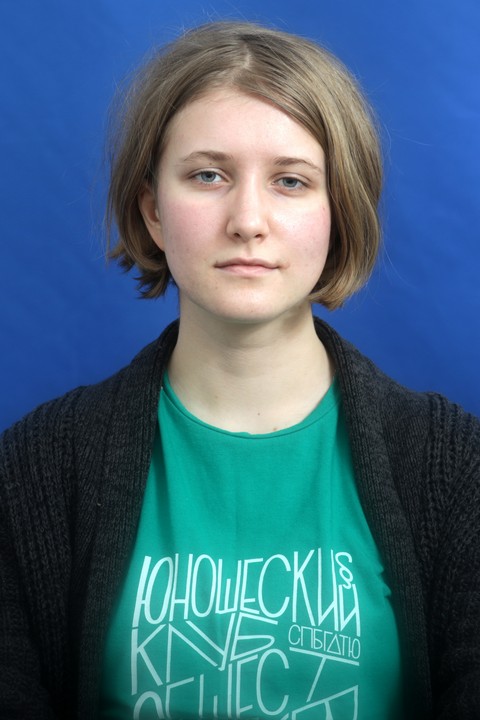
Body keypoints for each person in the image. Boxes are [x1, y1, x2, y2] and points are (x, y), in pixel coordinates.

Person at [0, 20, 479, 720]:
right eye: (208, 175)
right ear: (153, 211)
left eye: (290, 181)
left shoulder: (457, 469)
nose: (248, 220)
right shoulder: (37, 469)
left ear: (339, 211)